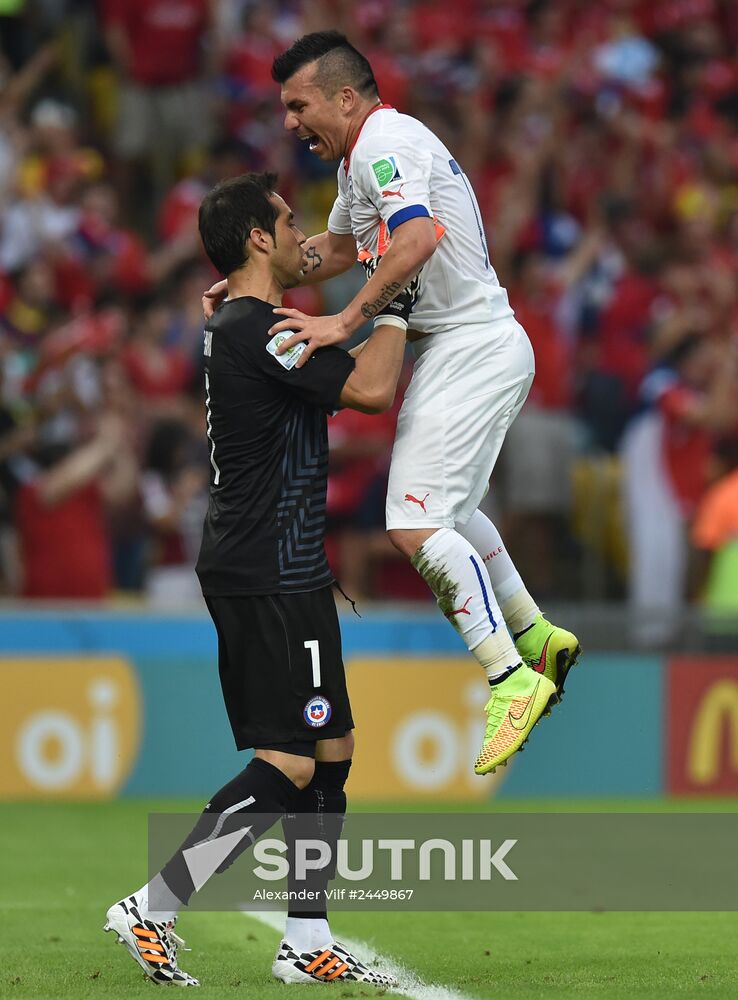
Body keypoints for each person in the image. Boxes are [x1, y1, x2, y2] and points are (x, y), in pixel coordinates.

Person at [204, 31, 580, 776]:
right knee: (447, 511)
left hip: (470, 344)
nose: (288, 122)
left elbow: (416, 238)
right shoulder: (363, 164)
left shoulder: (384, 144)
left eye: (297, 105)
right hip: (460, 347)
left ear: (346, 96)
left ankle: (509, 676)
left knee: (410, 520)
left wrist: (344, 321)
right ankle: (534, 635)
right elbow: (338, 250)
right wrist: (256, 276)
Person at [104, 171, 412, 987]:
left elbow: (306, 275)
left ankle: (303, 935)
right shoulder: (261, 329)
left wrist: (369, 262)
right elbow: (375, 390)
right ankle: (154, 905)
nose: (302, 234)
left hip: (285, 563)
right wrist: (397, 300)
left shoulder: (242, 321)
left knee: (332, 744)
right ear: (257, 239)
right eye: (287, 222)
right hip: (265, 567)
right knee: (291, 762)